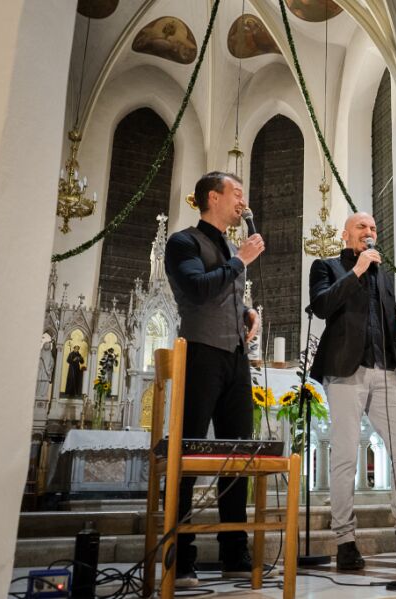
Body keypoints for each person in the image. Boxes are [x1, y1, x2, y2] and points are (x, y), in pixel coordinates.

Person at [309, 212, 396, 570]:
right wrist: (356, 271)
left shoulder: (383, 276)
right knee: (345, 457)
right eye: (361, 227)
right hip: (346, 370)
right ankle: (345, 542)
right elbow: (323, 306)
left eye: (373, 228)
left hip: (385, 370)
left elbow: (385, 323)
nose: (369, 232)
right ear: (345, 235)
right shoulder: (326, 267)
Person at [164, 171, 265, 586]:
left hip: (235, 358)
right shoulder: (183, 242)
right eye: (236, 193)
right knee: (187, 453)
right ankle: (180, 557)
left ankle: (234, 552)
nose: (243, 201)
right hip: (200, 354)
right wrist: (240, 260)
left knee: (236, 455)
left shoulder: (227, 246)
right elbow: (197, 289)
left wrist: (246, 313)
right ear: (213, 197)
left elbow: (224, 294)